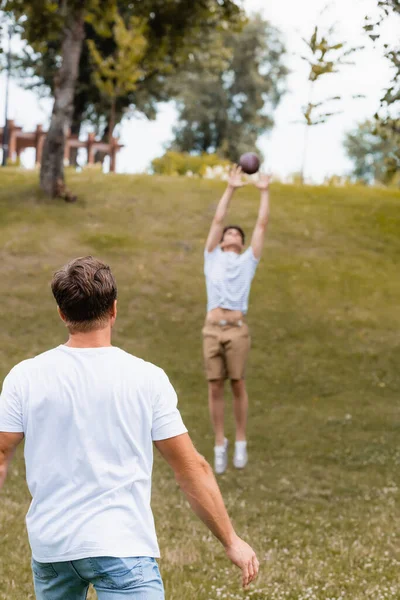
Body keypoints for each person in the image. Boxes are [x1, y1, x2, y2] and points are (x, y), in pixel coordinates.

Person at [0, 256, 259, 600]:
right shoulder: (146, 378)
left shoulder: (25, 376)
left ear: (62, 314)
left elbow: (2, 453)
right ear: (114, 310)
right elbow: (190, 468)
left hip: (53, 550)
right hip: (121, 546)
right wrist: (231, 540)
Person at [203, 165, 270, 474]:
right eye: (229, 232)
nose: (232, 235)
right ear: (220, 241)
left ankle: (240, 439)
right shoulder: (211, 257)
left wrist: (264, 192)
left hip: (237, 330)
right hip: (212, 330)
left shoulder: (247, 263)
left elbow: (261, 226)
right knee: (215, 385)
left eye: (237, 234)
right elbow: (218, 219)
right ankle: (220, 442)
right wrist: (230, 188)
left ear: (242, 244)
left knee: (238, 383)